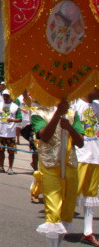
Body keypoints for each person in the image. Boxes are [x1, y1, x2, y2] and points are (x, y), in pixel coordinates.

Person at [32, 100, 84, 247]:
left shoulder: (72, 113)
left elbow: (80, 143)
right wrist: (57, 114)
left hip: (70, 166)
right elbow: (44, 136)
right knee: (54, 213)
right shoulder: (38, 112)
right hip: (50, 166)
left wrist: (70, 128)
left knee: (66, 213)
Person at [72, 89, 99, 246]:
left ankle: (88, 232)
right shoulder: (75, 105)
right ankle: (59, 227)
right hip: (79, 156)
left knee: (91, 195)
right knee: (71, 193)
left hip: (95, 157)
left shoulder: (97, 106)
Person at [0, 89, 22, 174]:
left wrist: (12, 120)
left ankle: (10, 168)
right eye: (4, 95)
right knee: (0, 151)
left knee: (11, 152)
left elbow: (20, 119)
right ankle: (1, 167)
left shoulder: (15, 107)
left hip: (11, 133)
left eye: (7, 96)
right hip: (0, 132)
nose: (5, 97)